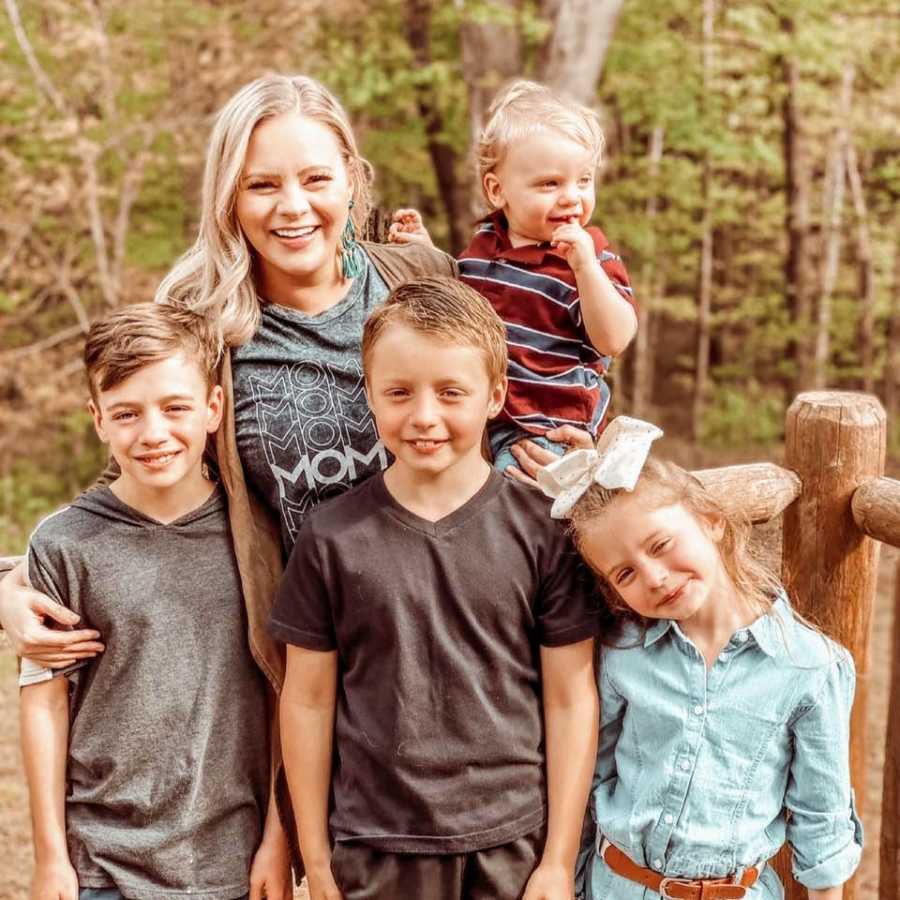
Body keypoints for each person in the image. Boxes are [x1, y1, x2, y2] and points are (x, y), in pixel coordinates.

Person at [272, 277, 602, 900]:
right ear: (368, 394)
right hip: (374, 845)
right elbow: (308, 701)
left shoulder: (542, 530)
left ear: (495, 394)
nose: (424, 417)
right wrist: (315, 862)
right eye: (399, 392)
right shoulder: (333, 537)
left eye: (451, 392)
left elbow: (570, 698)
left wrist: (557, 860)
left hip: (513, 844)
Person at [19, 303, 287, 900]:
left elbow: (282, 694)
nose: (153, 433)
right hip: (104, 865)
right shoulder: (65, 544)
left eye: (175, 408)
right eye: (127, 413)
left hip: (236, 862)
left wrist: (278, 835)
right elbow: (44, 706)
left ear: (214, 408)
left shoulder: (259, 538)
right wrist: (50, 859)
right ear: (98, 420)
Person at [539, 433, 863, 899]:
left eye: (660, 544)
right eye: (625, 573)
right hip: (615, 887)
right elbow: (591, 779)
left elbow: (822, 824)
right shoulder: (622, 654)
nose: (655, 577)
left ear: (711, 521)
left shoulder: (809, 666)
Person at [390, 80, 638, 474]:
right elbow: (459, 299)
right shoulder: (486, 243)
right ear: (496, 190)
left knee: (513, 498)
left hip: (548, 429)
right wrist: (424, 249)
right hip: (482, 419)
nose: (572, 196)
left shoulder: (588, 257)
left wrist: (586, 269)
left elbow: (616, 338)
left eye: (584, 180)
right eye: (550, 183)